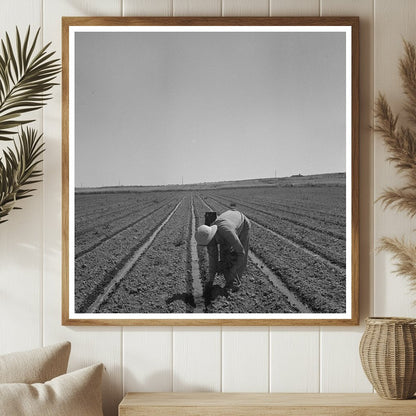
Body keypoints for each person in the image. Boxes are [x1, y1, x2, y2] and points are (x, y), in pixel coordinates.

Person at [195, 209, 250, 296]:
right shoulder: (210, 238)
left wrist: (233, 270)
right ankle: (229, 280)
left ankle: (234, 283)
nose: (209, 245)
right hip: (227, 224)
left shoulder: (227, 232)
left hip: (242, 223)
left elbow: (241, 253)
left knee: (233, 257)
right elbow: (213, 259)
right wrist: (210, 281)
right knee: (224, 256)